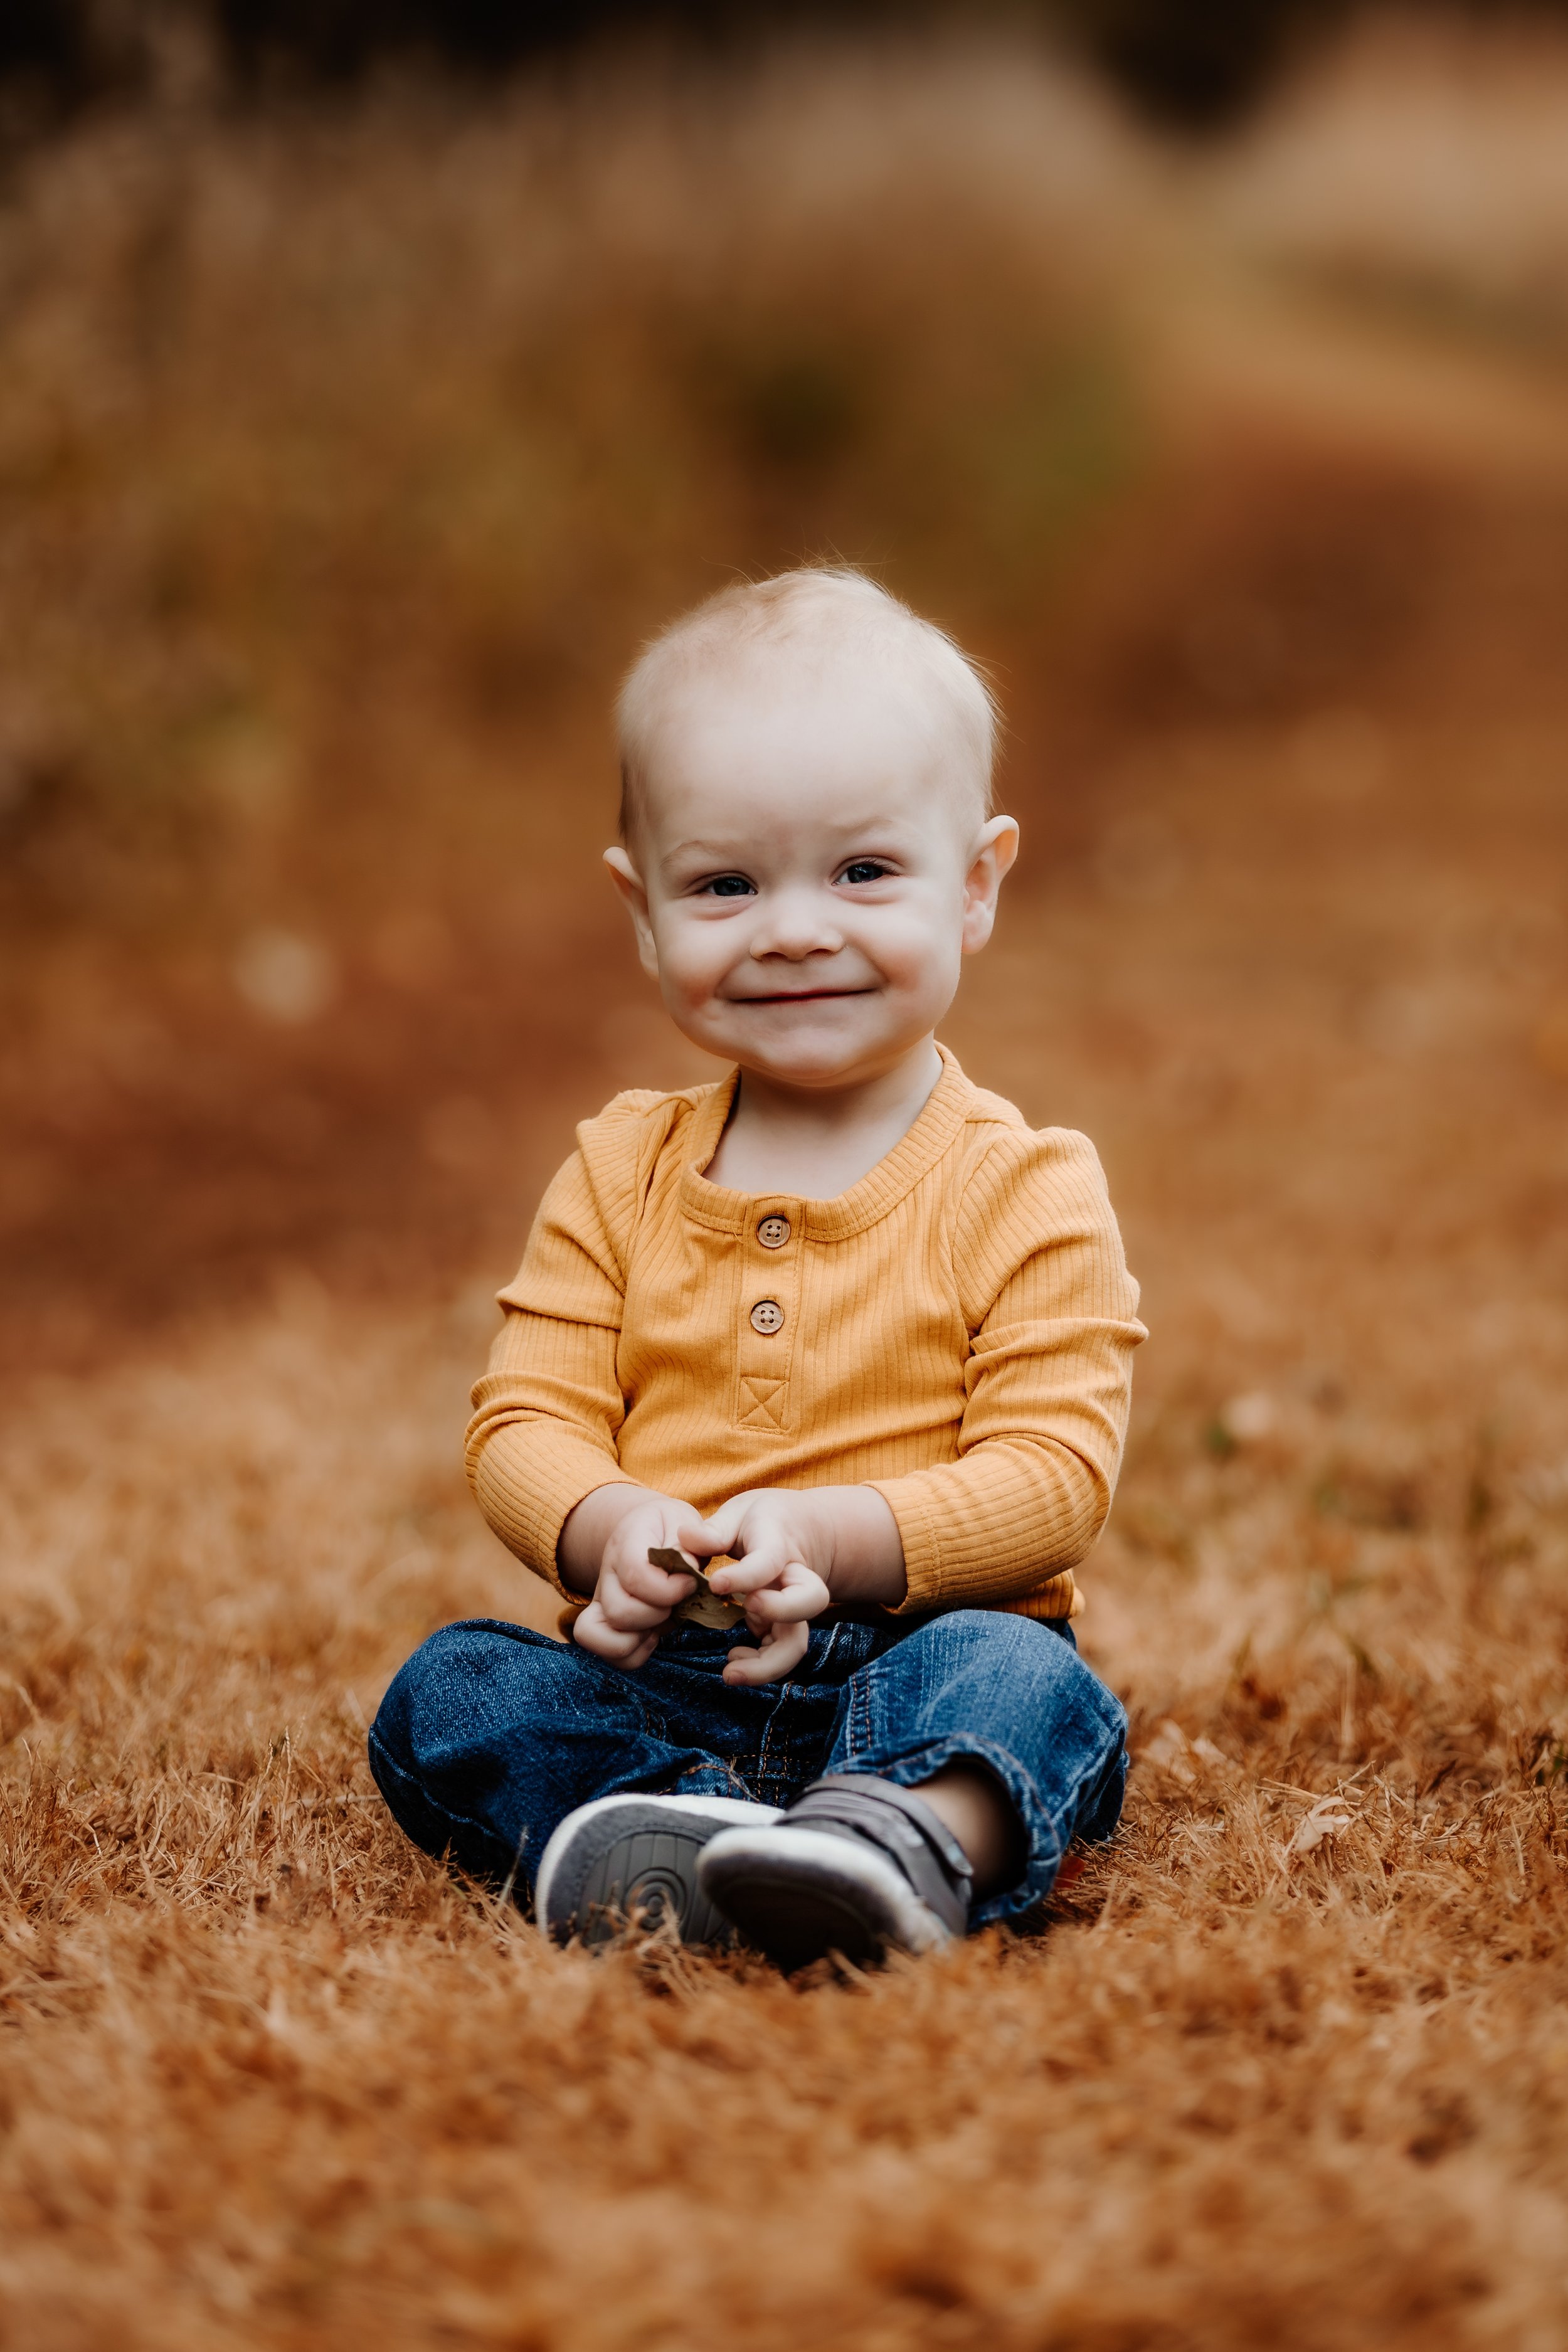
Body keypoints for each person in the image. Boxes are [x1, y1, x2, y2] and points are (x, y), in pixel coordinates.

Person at [369, 568, 1145, 1969]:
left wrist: (837, 1538)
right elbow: (521, 1421)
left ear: (973, 886)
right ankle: (679, 1830)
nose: (792, 928)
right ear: (642, 910)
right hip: (666, 1677)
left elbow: (1054, 1480)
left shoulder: (1023, 1183)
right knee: (451, 1690)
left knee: (1020, 1684)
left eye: (861, 872)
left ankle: (890, 1843)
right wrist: (609, 1527)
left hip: (916, 1663)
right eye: (724, 883)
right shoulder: (619, 1168)